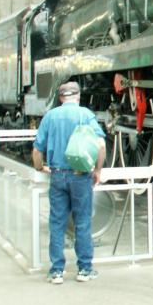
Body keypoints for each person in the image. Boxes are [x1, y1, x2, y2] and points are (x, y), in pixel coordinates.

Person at [32, 82, 106, 284]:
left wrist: (40, 168)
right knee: (82, 222)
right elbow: (100, 145)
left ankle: (56, 271)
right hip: (80, 175)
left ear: (60, 98)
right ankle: (84, 269)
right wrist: (97, 170)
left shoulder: (50, 116)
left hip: (57, 174)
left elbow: (37, 151)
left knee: (57, 223)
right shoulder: (85, 114)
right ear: (78, 97)